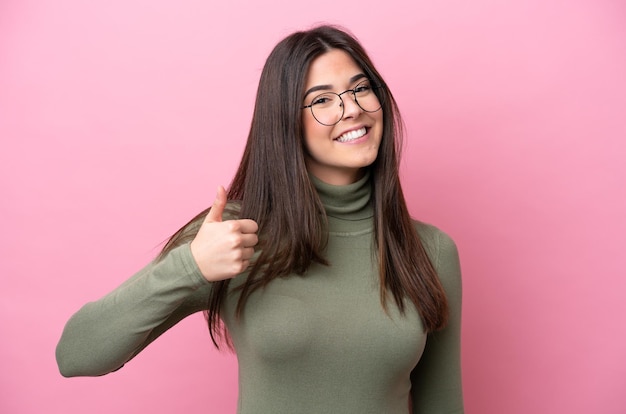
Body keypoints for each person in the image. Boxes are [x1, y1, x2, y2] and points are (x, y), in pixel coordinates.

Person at [56, 25, 464, 413]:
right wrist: (190, 266)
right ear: (286, 121)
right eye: (323, 100)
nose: (352, 109)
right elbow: (76, 354)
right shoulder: (233, 237)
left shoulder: (431, 251)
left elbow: (442, 405)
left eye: (361, 89)